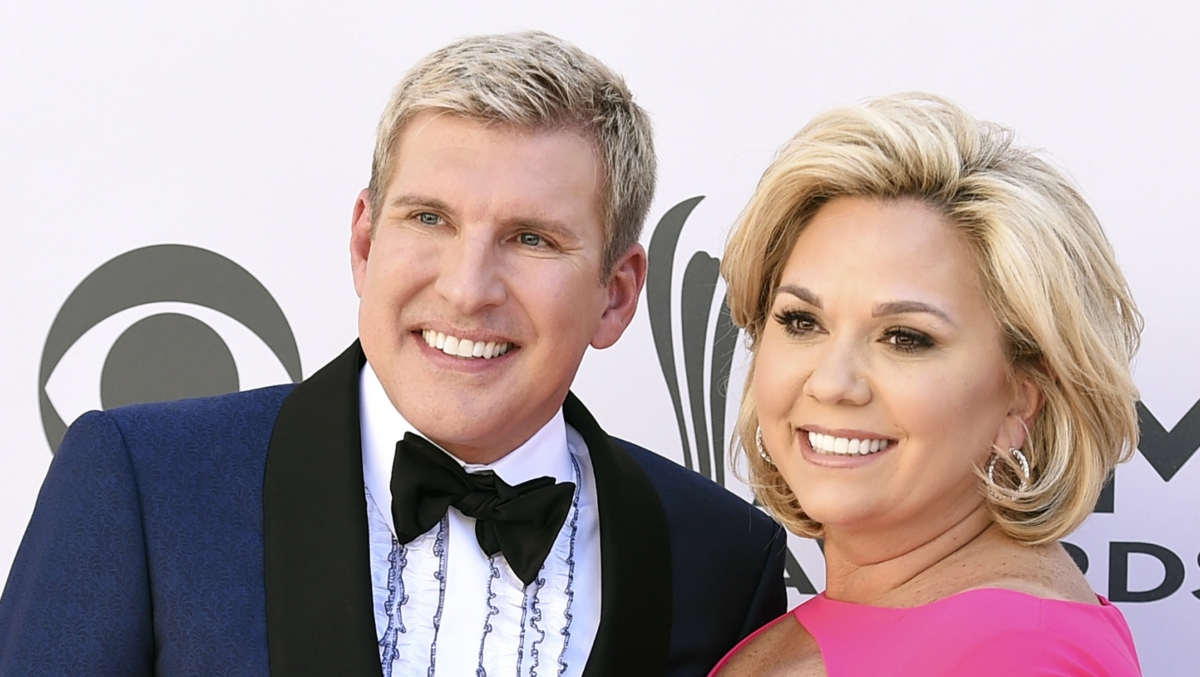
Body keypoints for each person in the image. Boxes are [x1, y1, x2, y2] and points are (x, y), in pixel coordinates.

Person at [0, 31, 785, 677]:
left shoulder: (721, 559)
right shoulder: (145, 484)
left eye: (531, 238)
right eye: (430, 219)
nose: (467, 288)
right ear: (365, 243)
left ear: (615, 294)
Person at [709, 93, 1143, 676]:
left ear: (1022, 398)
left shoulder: (1016, 656)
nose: (833, 383)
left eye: (905, 338)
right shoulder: (894, 610)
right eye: (802, 322)